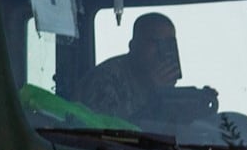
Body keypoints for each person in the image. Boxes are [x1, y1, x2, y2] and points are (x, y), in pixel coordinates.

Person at [79, 12, 214, 124]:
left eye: (168, 44)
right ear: (133, 46)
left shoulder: (160, 83)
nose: (162, 51)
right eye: (155, 43)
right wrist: (155, 94)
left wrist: (196, 106)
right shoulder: (104, 80)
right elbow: (109, 135)